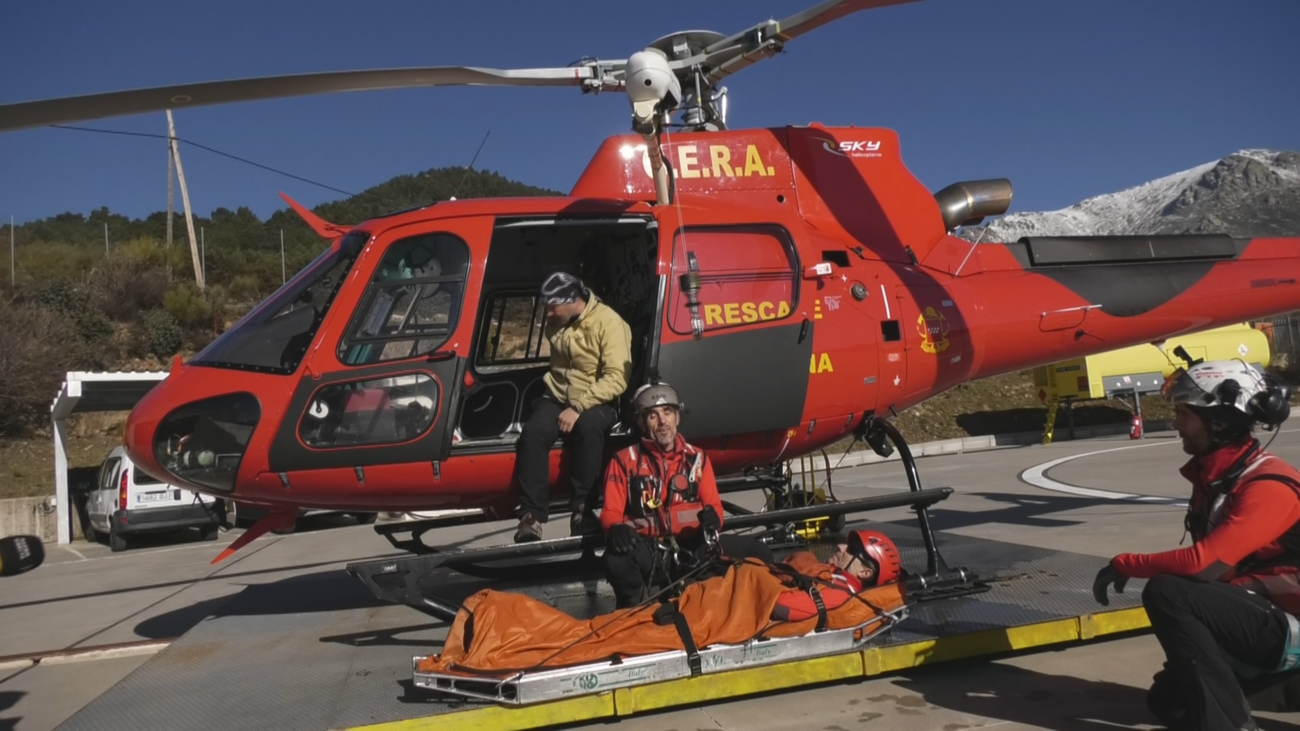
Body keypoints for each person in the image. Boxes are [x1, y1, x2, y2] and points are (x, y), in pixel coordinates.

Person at [1092, 359, 1298, 731]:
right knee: (1169, 703)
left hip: (1288, 624)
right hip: (1271, 617)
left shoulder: (1269, 485)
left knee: (1169, 591)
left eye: (1183, 414)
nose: (1175, 424)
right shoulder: (1221, 477)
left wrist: (1126, 563)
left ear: (1218, 421)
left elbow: (1203, 565)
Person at [601, 382, 775, 607]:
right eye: (653, 415)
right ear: (641, 422)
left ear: (677, 418)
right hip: (651, 551)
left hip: (695, 549)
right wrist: (615, 528)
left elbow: (716, 509)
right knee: (617, 560)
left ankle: (756, 607)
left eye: (668, 413)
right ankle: (633, 611)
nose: (663, 421)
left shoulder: (698, 459)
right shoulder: (624, 461)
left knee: (758, 551)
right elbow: (610, 512)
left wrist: (713, 518)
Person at [513, 271, 633, 543]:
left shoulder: (610, 323)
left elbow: (616, 377)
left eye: (552, 305)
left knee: (590, 428)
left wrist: (579, 406)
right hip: (557, 395)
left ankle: (583, 511)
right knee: (533, 432)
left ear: (571, 300)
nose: (548, 313)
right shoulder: (558, 321)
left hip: (598, 398)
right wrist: (563, 403)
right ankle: (531, 516)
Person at [771, 529, 904, 621]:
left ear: (864, 573)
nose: (840, 546)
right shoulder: (831, 579)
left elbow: (778, 604)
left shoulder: (841, 598)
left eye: (852, 549)